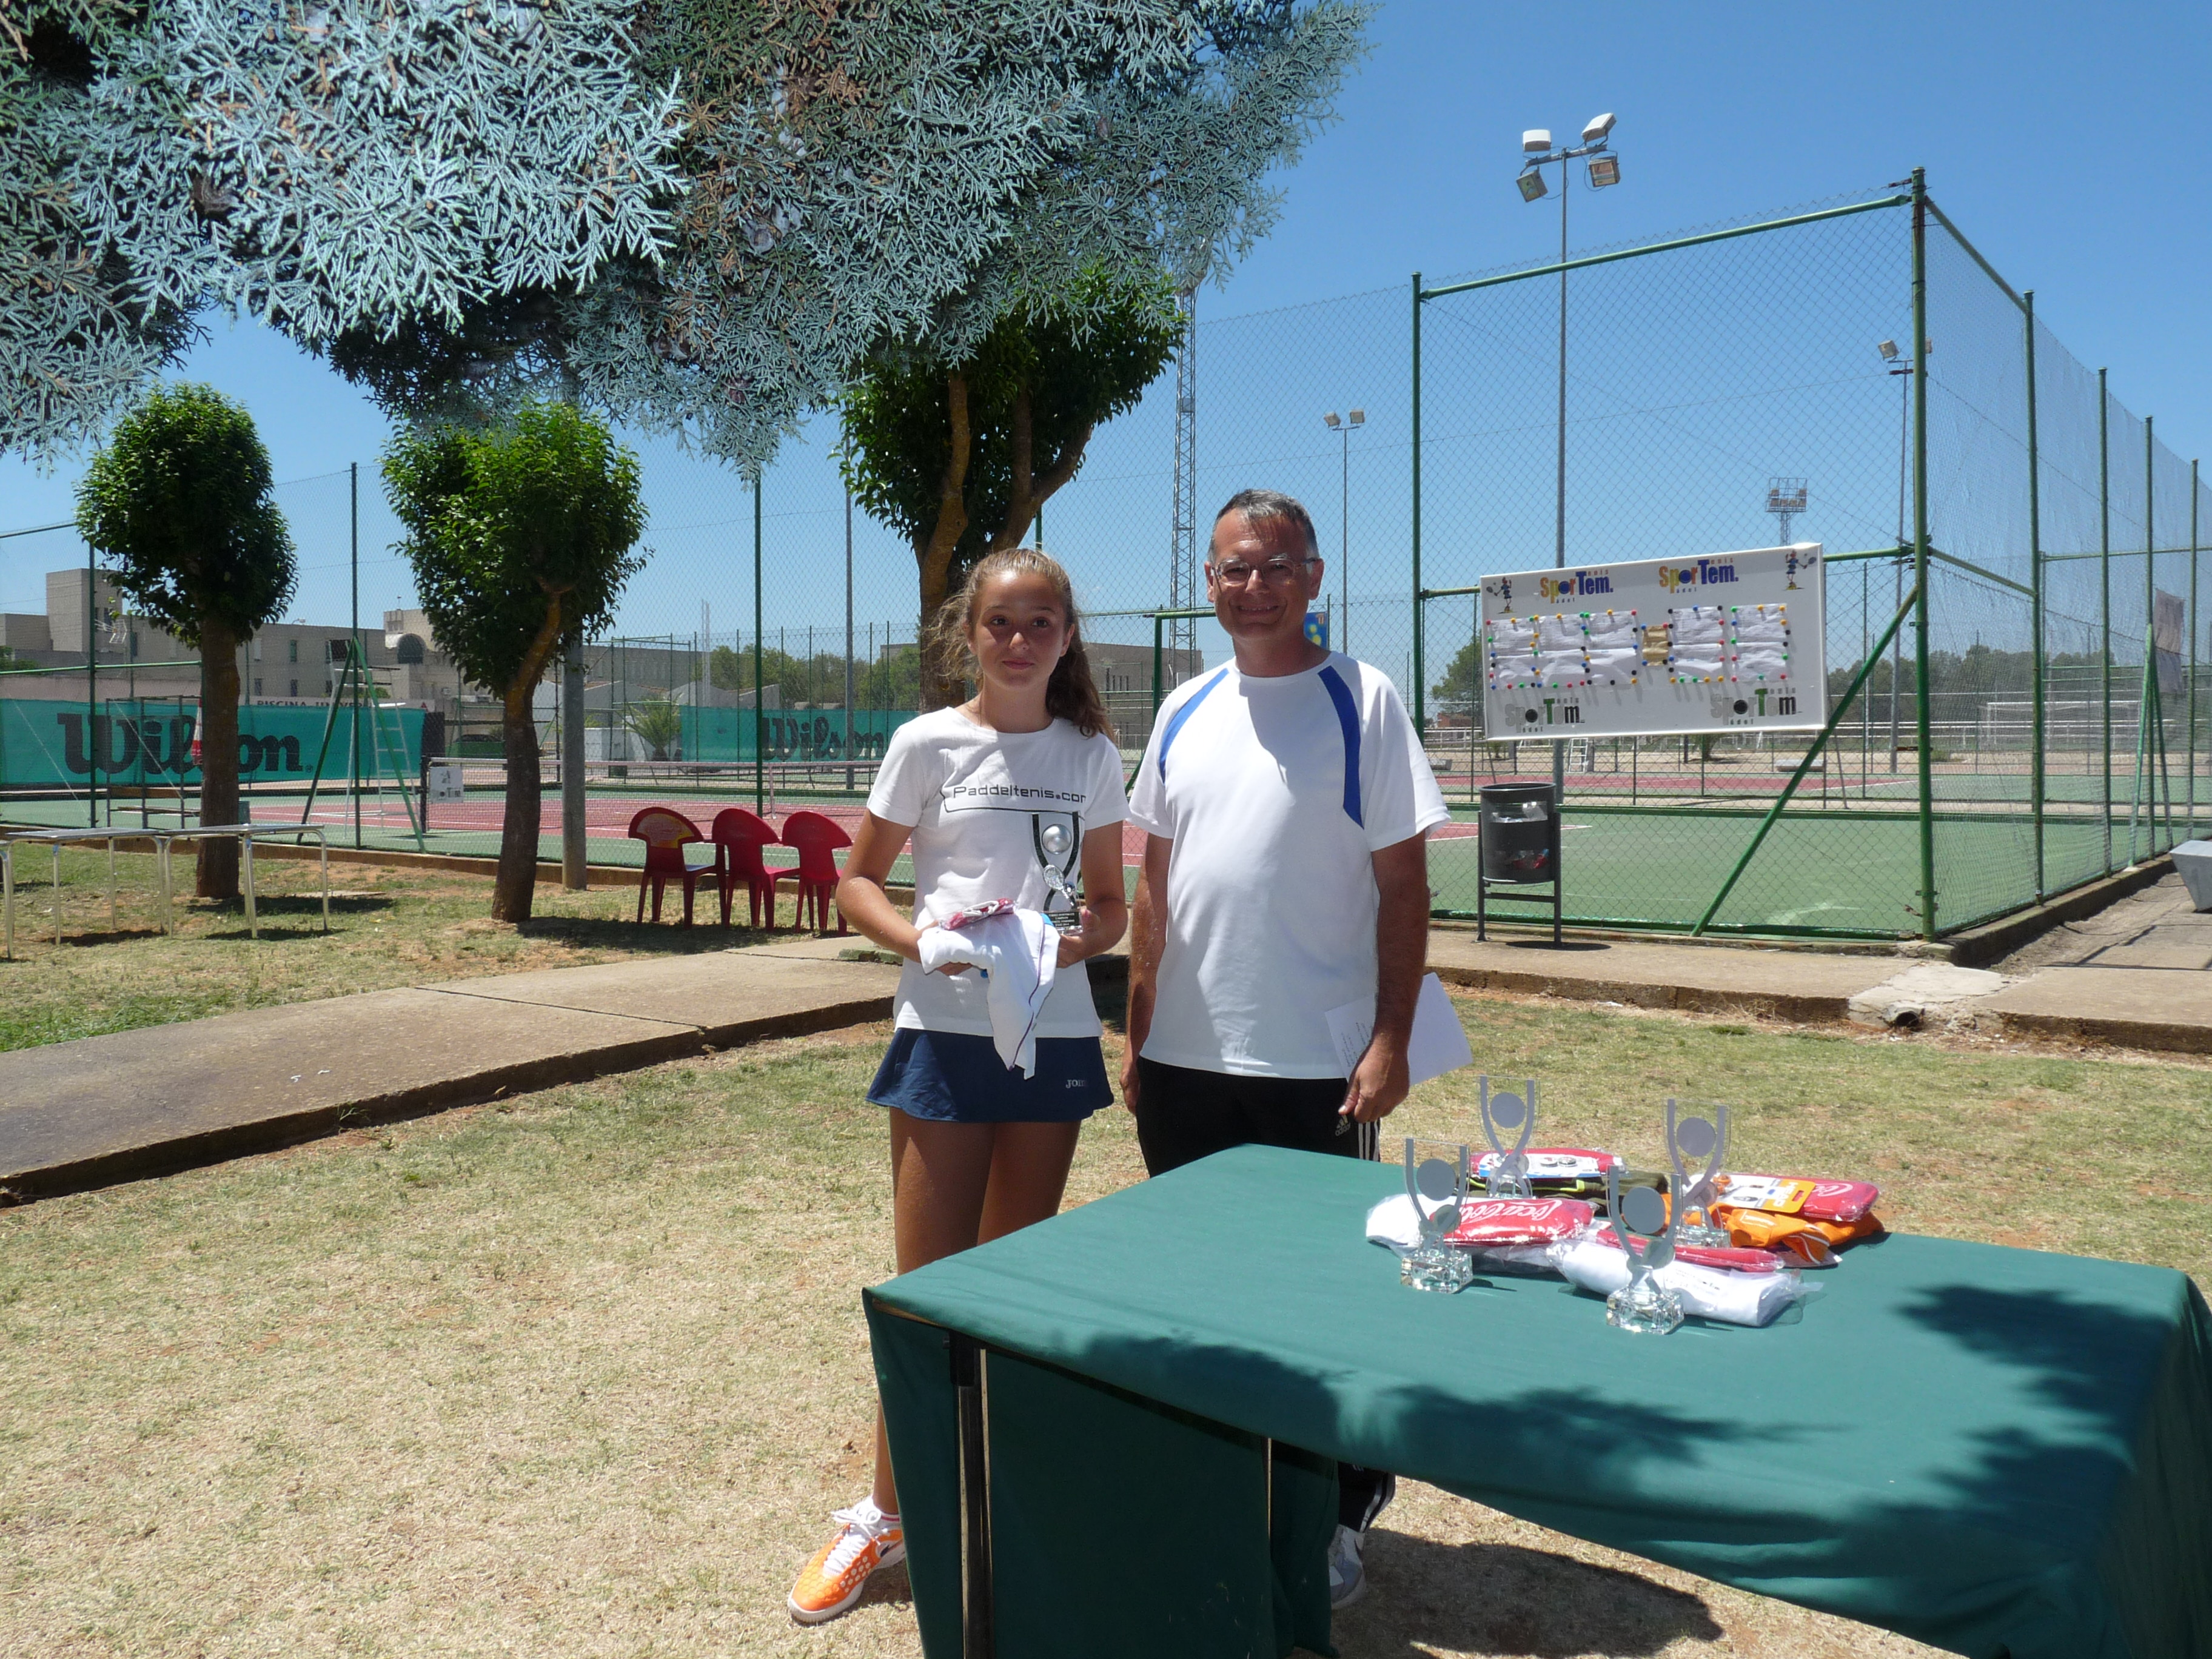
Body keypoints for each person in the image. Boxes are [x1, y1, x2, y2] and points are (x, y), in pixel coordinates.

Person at [787, 547, 1130, 1626]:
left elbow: (1109, 906)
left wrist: (1055, 947)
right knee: (926, 1295)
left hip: (1050, 1038)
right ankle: (883, 1518)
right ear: (968, 635)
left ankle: (996, 1502)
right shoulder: (926, 743)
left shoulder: (1091, 754)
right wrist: (924, 943)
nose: (1020, 641)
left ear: (1067, 637)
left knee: (1010, 1288)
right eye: (1000, 624)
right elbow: (855, 880)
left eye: (1040, 624)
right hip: (942, 1036)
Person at [1123, 488, 1450, 1611]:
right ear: (1208, 583)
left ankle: (1337, 1509)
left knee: (1319, 1297)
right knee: (1201, 1286)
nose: (1252, 587)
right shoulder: (1182, 709)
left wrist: (1391, 1037)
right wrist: (1141, 1030)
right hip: (1184, 1064)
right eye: (1232, 569)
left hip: (1316, 1068)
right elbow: (1157, 884)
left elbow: (1403, 886)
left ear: (1313, 577)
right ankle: (1225, 1487)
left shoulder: (1365, 700)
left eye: (1274, 566)